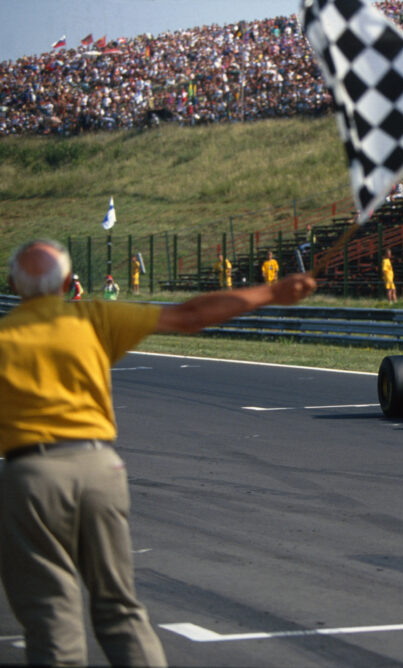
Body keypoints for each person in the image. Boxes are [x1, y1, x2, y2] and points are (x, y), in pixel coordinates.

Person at [0, 238, 316, 667]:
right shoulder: (94, 317)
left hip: (30, 472)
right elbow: (190, 315)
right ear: (68, 284)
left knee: (50, 613)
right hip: (98, 466)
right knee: (119, 606)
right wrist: (271, 292)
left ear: (12, 285)